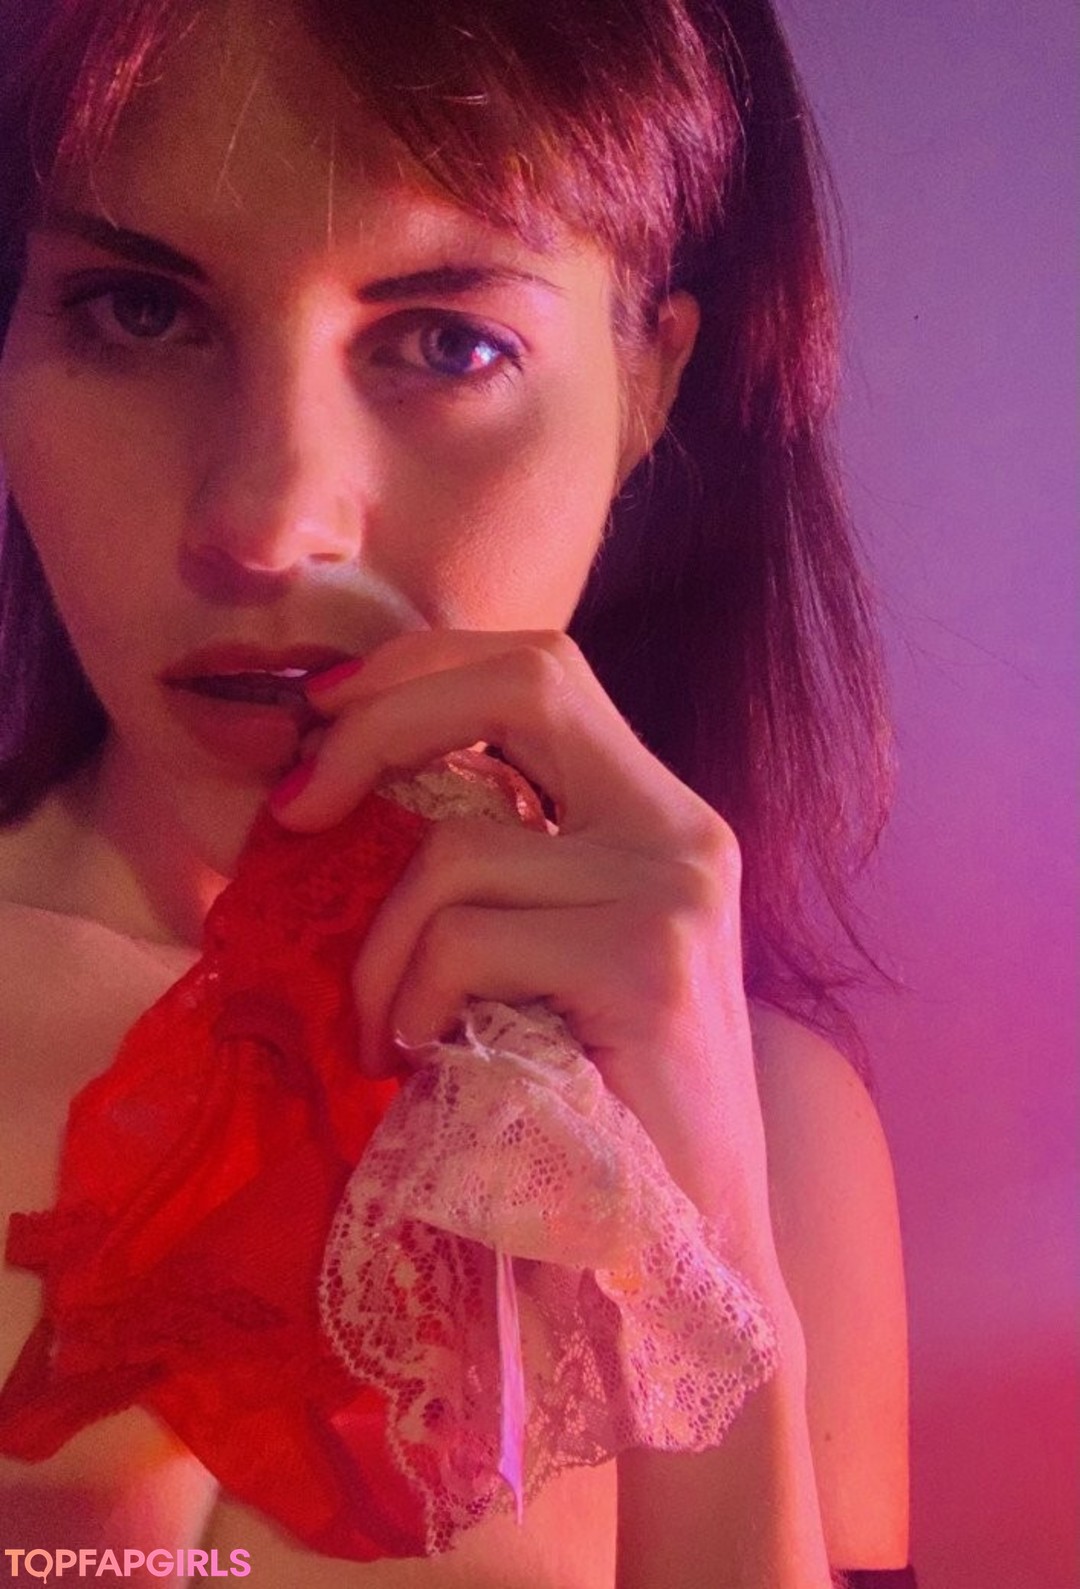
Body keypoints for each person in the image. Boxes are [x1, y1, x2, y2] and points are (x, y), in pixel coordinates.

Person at [0, 0, 912, 1583]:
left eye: (447, 342)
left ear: (647, 387)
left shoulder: (774, 1130)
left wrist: (708, 1245)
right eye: (140, 311)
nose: (270, 524)